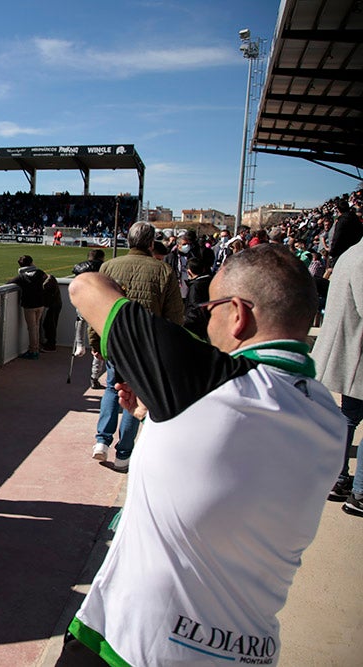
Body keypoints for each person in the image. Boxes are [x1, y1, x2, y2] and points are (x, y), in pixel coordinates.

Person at [61, 244, 343, 665]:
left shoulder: (206, 381)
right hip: (250, 651)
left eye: (210, 307)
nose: (205, 318)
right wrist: (154, 416)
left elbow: (86, 287)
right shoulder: (328, 418)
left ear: (238, 313)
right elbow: (229, 464)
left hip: (136, 646)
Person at [90, 221, 184, 469]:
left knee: (112, 388)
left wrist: (95, 340)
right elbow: (174, 316)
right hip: (147, 345)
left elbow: (95, 307)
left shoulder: (109, 266)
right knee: (136, 393)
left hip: (115, 340)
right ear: (151, 243)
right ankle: (124, 454)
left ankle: (101, 441)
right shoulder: (163, 271)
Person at [312, 238, 363, 513]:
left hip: (349, 350)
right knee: (349, 416)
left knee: (349, 416)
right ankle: (359, 491)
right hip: (356, 351)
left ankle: (338, 478)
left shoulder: (351, 254)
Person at [73, 249, 106, 389]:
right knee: (99, 341)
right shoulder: (105, 267)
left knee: (80, 320)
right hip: (99, 304)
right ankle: (94, 376)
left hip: (83, 300)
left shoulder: (79, 267)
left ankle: (79, 344)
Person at [8, 255, 46, 360]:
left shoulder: (22, 276)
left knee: (32, 328)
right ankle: (36, 348)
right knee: (36, 326)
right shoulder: (40, 273)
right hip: (41, 303)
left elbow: (9, 283)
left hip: (29, 305)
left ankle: (33, 350)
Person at [41, 271, 62, 351]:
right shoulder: (51, 279)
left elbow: (47, 295)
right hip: (55, 304)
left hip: (53, 306)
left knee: (49, 324)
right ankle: (50, 343)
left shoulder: (48, 283)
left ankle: (51, 344)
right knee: (49, 324)